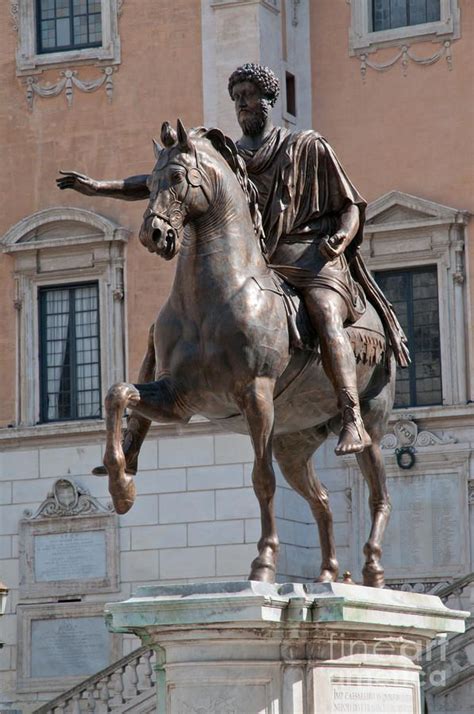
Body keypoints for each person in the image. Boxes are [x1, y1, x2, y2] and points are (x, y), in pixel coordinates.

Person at [57, 63, 409, 456]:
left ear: (269, 100)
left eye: (250, 95)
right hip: (263, 259)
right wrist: (97, 187)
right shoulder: (232, 161)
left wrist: (340, 238)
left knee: (325, 313)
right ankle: (133, 440)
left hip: (312, 256)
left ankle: (351, 417)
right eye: (237, 97)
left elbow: (350, 206)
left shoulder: (306, 146)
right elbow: (159, 179)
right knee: (162, 332)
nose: (243, 104)